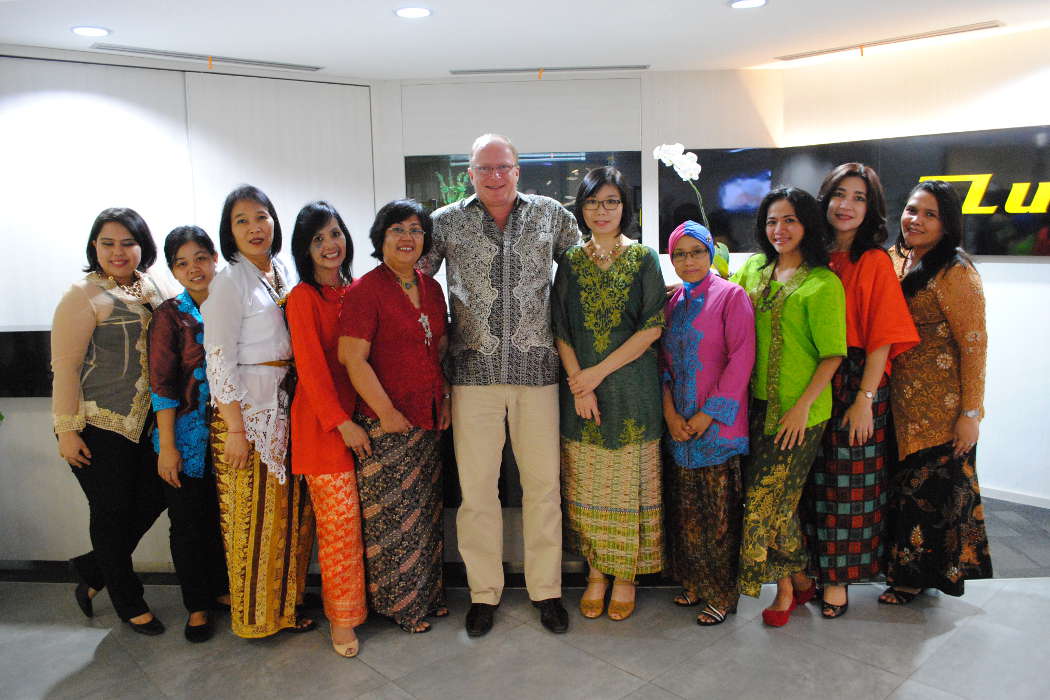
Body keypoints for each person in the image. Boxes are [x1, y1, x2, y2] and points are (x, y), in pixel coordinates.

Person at [419, 133, 579, 637]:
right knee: (477, 492)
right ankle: (483, 593)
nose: (494, 176)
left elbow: (585, 269)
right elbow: (414, 284)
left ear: (517, 170)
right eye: (484, 168)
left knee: (544, 489)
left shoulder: (551, 215)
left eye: (503, 167)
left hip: (538, 373)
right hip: (472, 375)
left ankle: (546, 590)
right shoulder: (445, 222)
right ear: (470, 173)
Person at [801, 164, 919, 618]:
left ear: (871, 209)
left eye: (859, 197)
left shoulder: (873, 261)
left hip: (856, 380)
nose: (846, 205)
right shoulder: (812, 256)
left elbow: (882, 338)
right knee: (812, 480)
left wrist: (865, 400)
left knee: (849, 487)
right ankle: (811, 570)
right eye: (839, 194)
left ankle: (838, 579)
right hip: (811, 375)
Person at [52, 207, 173, 635]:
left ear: (143, 246)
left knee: (159, 493)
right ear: (94, 247)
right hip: (97, 423)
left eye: (128, 243)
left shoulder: (154, 286)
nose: (118, 252)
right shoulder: (82, 295)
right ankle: (128, 602)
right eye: (108, 243)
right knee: (110, 512)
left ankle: (93, 569)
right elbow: (65, 368)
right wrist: (67, 430)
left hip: (146, 424)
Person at [201, 185, 315, 638]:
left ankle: (287, 608)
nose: (254, 227)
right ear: (229, 231)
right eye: (242, 220)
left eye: (261, 217)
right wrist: (234, 429)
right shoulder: (230, 281)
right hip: (246, 416)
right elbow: (218, 358)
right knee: (253, 523)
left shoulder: (280, 270)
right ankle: (255, 619)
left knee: (286, 516)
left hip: (284, 406)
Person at [552, 167, 665, 622]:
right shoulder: (570, 261)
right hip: (581, 395)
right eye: (593, 202)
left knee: (630, 487)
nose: (602, 211)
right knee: (587, 485)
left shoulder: (644, 258)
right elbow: (560, 328)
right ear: (581, 208)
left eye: (612, 201)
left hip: (632, 390)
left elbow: (652, 326)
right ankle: (597, 574)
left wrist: (595, 375)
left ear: (625, 207)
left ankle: (626, 577)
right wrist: (579, 384)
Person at [731, 186, 846, 627]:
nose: (779, 229)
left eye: (790, 220)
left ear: (807, 225)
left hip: (801, 413)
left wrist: (801, 408)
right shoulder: (754, 270)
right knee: (777, 500)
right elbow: (725, 301)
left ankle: (783, 589)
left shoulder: (823, 283)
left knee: (770, 501)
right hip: (754, 405)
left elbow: (832, 355)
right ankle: (799, 578)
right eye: (772, 221)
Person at [340, 199, 450, 634]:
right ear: (380, 238)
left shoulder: (432, 288)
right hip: (384, 424)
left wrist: (445, 398)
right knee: (393, 518)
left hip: (427, 419)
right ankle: (400, 606)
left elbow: (439, 349)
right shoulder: (364, 291)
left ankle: (428, 596)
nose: (408, 237)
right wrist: (386, 413)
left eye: (416, 229)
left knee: (425, 513)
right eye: (397, 229)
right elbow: (352, 359)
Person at [881, 180, 992, 605]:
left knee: (929, 500)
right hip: (896, 405)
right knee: (902, 495)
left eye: (930, 215)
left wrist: (971, 414)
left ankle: (913, 580)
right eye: (912, 210)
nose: (916, 220)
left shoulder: (956, 272)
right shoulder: (895, 259)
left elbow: (974, 345)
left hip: (940, 414)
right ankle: (898, 571)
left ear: (947, 225)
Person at [661, 220, 755, 626]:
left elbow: (742, 360)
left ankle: (722, 593)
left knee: (719, 515)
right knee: (687, 512)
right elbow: (663, 366)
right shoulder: (673, 303)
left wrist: (706, 414)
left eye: (696, 252)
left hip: (717, 427)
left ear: (710, 253)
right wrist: (670, 414)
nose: (689, 261)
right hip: (679, 428)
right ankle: (695, 582)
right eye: (680, 254)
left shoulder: (732, 296)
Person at [286, 201, 368, 656]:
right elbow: (312, 371)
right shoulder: (303, 298)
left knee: (361, 525)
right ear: (305, 249)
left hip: (364, 421)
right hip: (324, 428)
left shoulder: (356, 291)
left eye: (334, 233)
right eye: (317, 239)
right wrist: (341, 423)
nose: (329, 245)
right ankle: (342, 619)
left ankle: (364, 606)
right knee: (338, 529)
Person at [148, 226, 231, 642]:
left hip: (231, 435)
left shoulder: (231, 304)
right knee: (187, 523)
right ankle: (197, 605)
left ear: (214, 258)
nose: (193, 268)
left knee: (220, 518)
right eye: (182, 263)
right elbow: (161, 384)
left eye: (200, 257)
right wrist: (168, 447)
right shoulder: (169, 315)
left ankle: (219, 590)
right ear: (173, 271)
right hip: (185, 437)